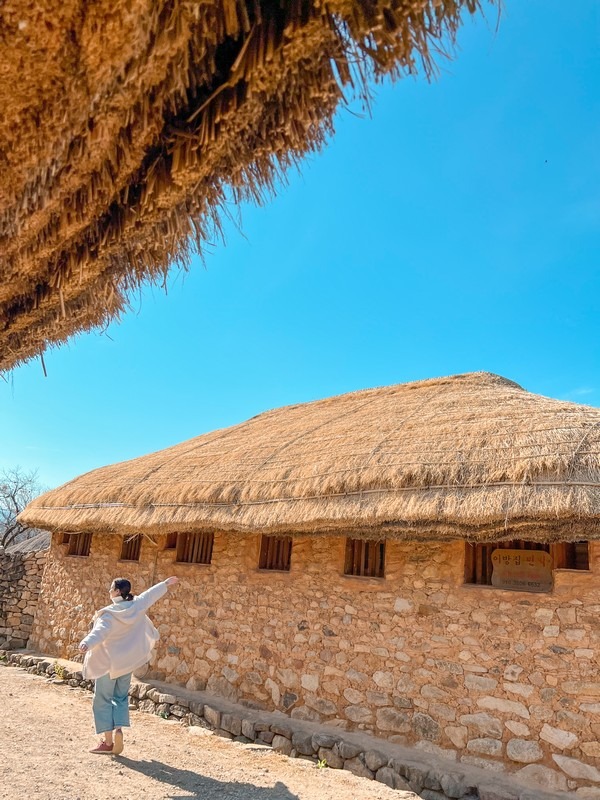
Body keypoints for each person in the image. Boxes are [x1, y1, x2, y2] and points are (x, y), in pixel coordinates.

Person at [78, 575, 179, 754]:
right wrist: (165, 584)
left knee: (102, 700)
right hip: (126, 664)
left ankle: (108, 742)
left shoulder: (109, 615)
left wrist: (86, 643)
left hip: (108, 664)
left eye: (111, 588)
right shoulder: (137, 605)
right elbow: (150, 595)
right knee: (120, 698)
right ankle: (118, 730)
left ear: (117, 592)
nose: (109, 591)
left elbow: (99, 632)